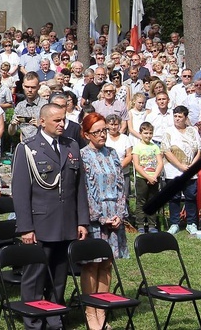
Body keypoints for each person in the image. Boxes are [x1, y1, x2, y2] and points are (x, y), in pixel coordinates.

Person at [11, 103, 89, 330]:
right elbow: (21, 191)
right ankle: (34, 320)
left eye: (63, 119)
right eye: (56, 120)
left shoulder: (71, 145)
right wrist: (25, 227)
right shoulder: (28, 148)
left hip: (66, 223)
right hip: (40, 223)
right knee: (35, 276)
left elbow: (79, 188)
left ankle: (55, 317)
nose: (62, 124)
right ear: (42, 121)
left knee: (59, 275)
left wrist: (82, 220)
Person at [79, 113, 128, 330]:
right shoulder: (82, 156)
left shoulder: (113, 153)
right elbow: (85, 190)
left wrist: (119, 214)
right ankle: (91, 312)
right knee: (92, 264)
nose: (102, 135)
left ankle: (103, 309)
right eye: (97, 131)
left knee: (107, 264)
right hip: (95, 218)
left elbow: (120, 185)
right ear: (86, 134)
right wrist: (100, 217)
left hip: (114, 215)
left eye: (104, 130)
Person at [161, 105, 201, 236]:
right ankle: (174, 223)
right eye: (175, 116)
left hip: (191, 171)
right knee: (174, 197)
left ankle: (191, 223)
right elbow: (166, 151)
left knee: (191, 197)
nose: (177, 119)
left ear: (185, 118)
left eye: (180, 116)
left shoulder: (193, 131)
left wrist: (192, 166)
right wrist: (180, 165)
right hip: (173, 170)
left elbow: (199, 150)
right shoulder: (168, 131)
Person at [132, 122, 164, 233]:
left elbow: (160, 163)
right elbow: (137, 165)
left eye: (150, 133)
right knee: (141, 201)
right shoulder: (137, 147)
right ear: (140, 133)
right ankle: (140, 224)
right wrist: (147, 177)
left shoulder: (155, 147)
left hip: (154, 178)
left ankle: (152, 225)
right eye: (145, 133)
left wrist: (154, 176)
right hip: (142, 178)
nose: (148, 135)